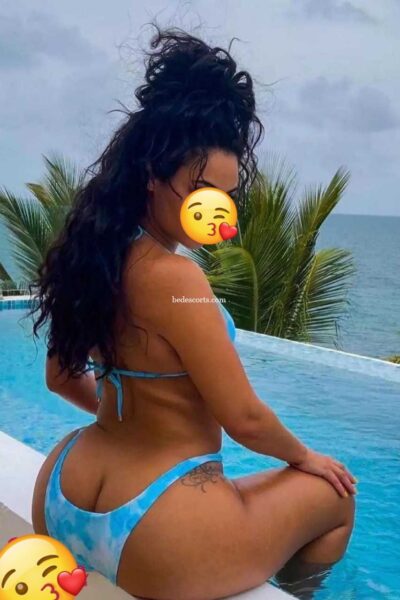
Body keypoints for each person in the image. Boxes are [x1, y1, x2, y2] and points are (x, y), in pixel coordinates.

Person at [30, 25, 356, 600]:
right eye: (201, 191)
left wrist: (127, 420)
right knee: (337, 498)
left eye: (225, 196)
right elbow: (244, 418)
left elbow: (59, 378)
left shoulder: (95, 254)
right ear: (153, 176)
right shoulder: (177, 279)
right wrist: (307, 458)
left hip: (63, 492)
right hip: (157, 527)